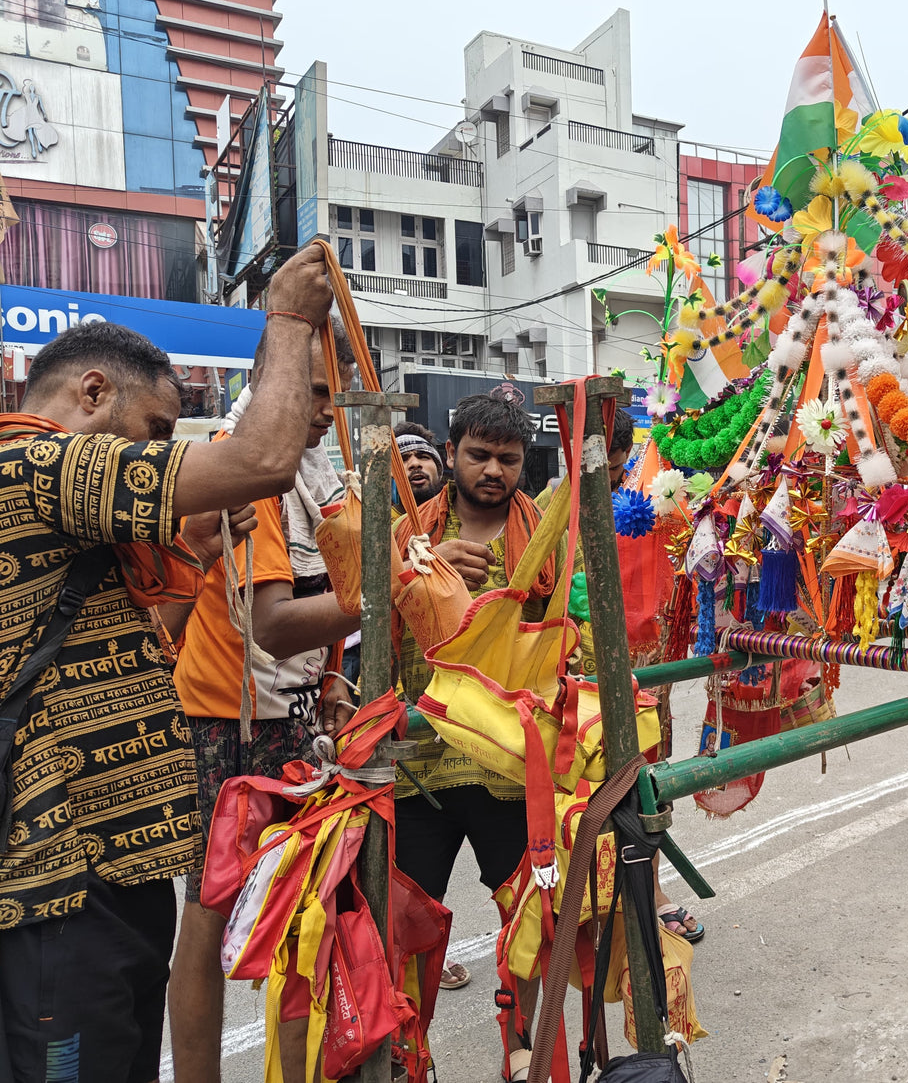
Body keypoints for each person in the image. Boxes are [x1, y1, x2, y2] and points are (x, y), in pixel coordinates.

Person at [0, 245, 330, 1083]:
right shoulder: (38, 463)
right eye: (153, 433)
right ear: (92, 394)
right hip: (62, 884)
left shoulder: (81, 517)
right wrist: (287, 316)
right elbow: (261, 460)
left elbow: (157, 637)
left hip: (110, 873)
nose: (156, 453)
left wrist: (187, 546)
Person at [166, 321, 363, 1083]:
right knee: (211, 916)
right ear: (271, 381)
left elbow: (323, 602)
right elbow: (278, 625)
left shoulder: (318, 466)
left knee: (298, 915)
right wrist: (386, 593)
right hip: (223, 718)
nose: (323, 409)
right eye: (312, 390)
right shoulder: (247, 461)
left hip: (293, 718)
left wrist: (336, 679)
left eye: (333, 393)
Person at [391, 386, 561, 1077]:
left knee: (527, 915)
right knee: (403, 921)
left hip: (508, 763)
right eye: (480, 455)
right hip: (421, 761)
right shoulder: (410, 530)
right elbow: (374, 621)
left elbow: (561, 635)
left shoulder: (545, 534)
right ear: (452, 451)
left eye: (509, 459)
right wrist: (418, 578)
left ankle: (521, 1049)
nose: (494, 470)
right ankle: (407, 1053)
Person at [538, 407, 703, 944]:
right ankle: (579, 902)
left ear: (621, 459)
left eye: (610, 464)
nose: (600, 475)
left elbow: (673, 597)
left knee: (647, 793)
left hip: (641, 682)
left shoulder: (650, 508)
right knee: (572, 799)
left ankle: (650, 893)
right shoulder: (542, 512)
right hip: (566, 689)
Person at [395, 420, 447, 511]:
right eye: (403, 459)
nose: (415, 464)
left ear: (438, 469)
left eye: (423, 457)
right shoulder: (376, 522)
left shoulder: (467, 515)